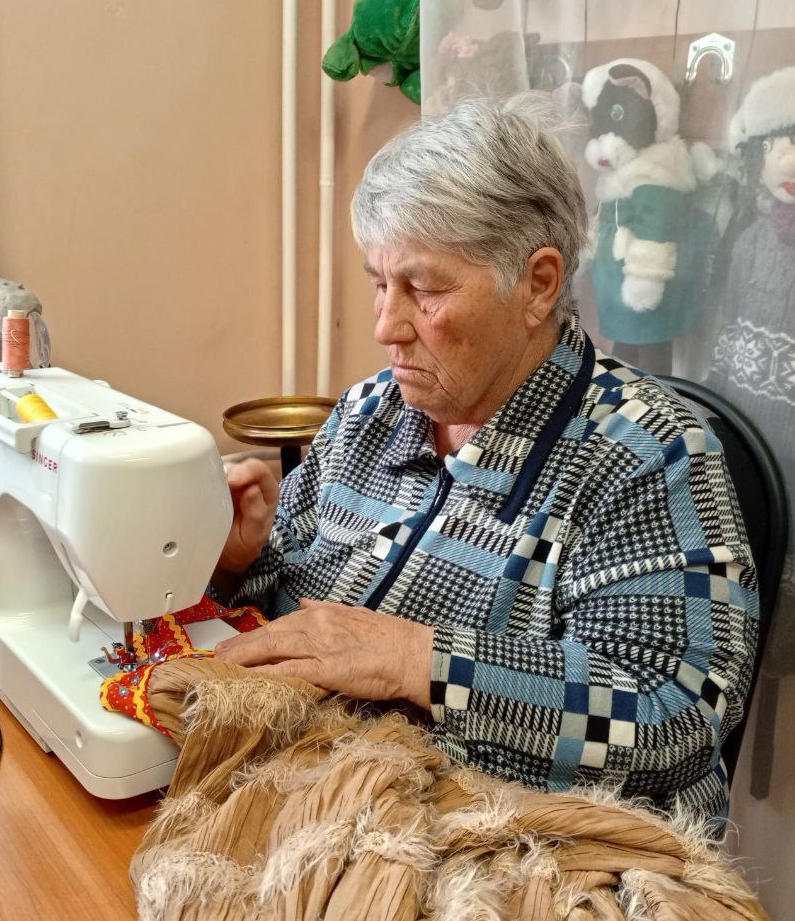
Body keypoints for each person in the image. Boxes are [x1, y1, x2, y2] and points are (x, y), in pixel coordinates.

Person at [214, 94, 759, 826]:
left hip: (526, 856)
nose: (386, 326)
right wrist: (240, 563)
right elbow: (293, 625)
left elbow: (676, 717)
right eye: (379, 284)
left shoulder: (649, 453)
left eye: (423, 289)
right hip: (328, 809)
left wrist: (418, 660)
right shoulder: (369, 414)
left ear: (538, 284)